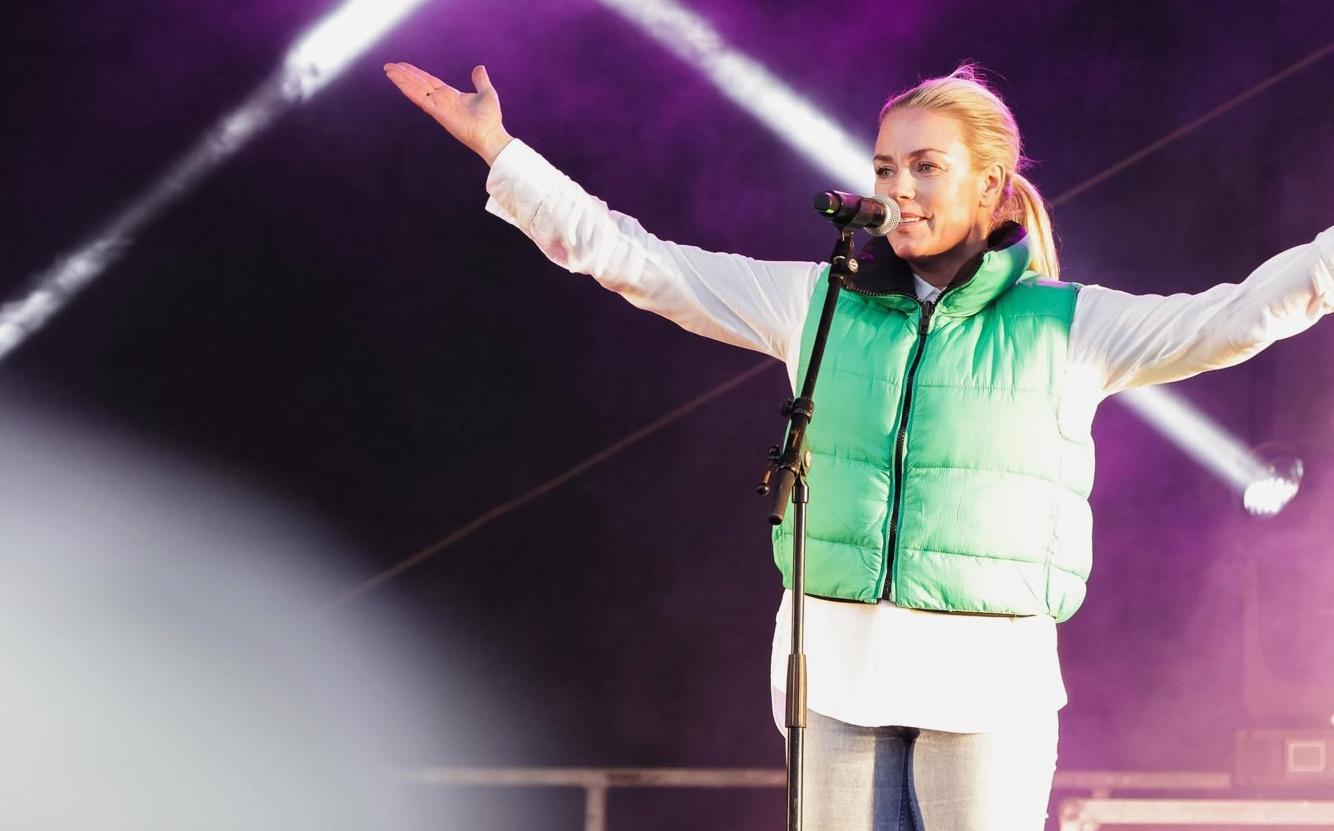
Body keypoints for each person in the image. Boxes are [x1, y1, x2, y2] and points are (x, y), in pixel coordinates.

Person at [383, 60, 1334, 829]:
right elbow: (640, 262)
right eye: (885, 169)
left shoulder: (1067, 324)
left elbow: (1238, 315)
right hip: (833, 676)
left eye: (925, 167)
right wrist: (503, 155)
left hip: (986, 690)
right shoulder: (821, 302)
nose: (898, 189)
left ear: (990, 184)